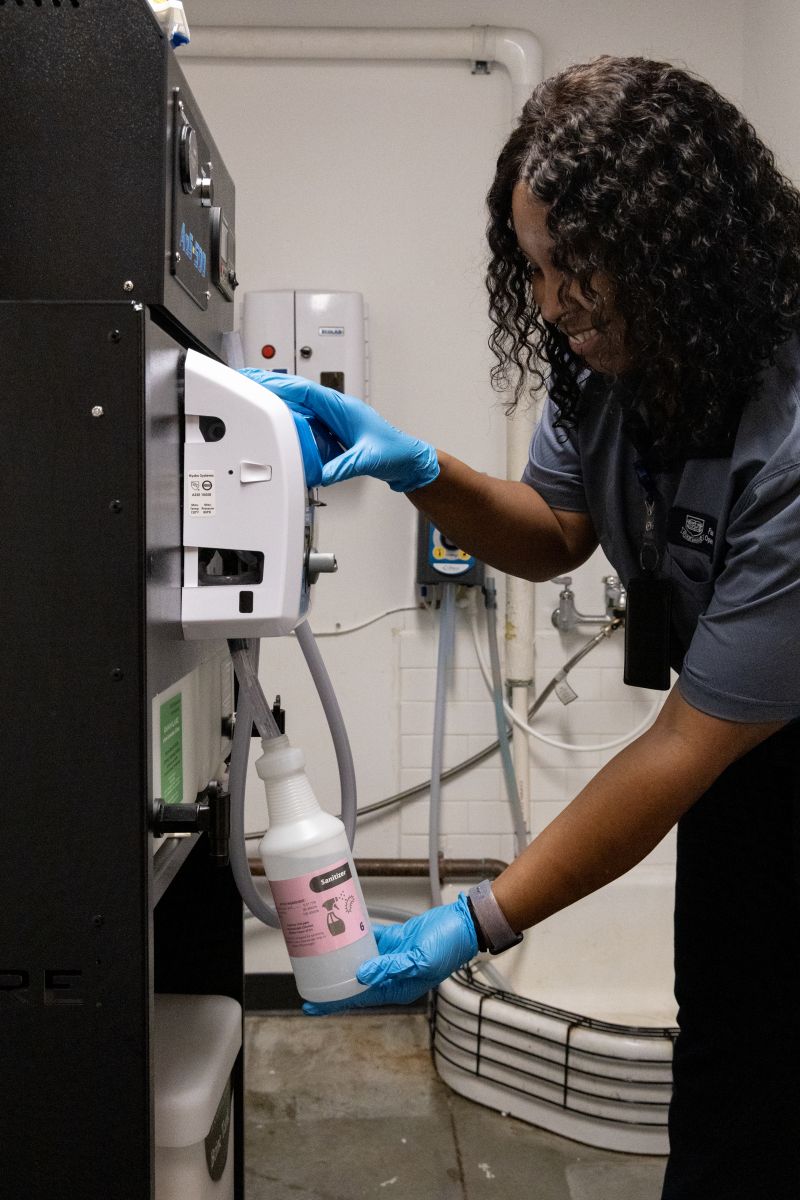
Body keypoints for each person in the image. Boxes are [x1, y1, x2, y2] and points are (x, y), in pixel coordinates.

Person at [244, 56, 800, 1199]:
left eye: (578, 274)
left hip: (748, 740)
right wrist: (416, 469)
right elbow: (554, 529)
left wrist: (472, 921)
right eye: (535, 270)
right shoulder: (614, 363)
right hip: (742, 777)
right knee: (730, 1073)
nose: (552, 307)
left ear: (676, 255)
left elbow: (682, 744)